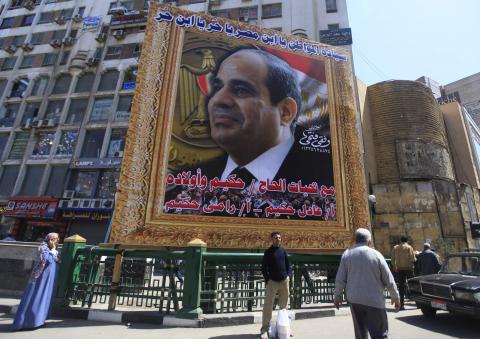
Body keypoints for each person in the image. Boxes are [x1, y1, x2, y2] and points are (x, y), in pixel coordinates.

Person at [334, 228, 400, 339]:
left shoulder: (347, 254)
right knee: (379, 334)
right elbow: (388, 278)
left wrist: (337, 296)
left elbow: (340, 279)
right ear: (369, 241)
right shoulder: (376, 255)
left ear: (355, 240)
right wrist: (395, 296)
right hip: (374, 300)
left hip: (354, 300)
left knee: (360, 334)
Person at [12, 233, 60, 331]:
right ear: (51, 239)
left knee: (44, 299)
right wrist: (53, 251)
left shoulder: (51, 249)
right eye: (56, 239)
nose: (58, 241)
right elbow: (46, 261)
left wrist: (54, 251)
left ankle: (39, 321)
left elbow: (58, 261)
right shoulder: (43, 248)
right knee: (36, 298)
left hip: (47, 280)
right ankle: (28, 322)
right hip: (40, 280)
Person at [260, 231, 291, 339]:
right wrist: (268, 279)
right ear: (272, 239)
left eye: (279, 237)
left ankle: (284, 328)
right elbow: (264, 268)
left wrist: (288, 276)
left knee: (284, 308)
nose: (278, 239)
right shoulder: (268, 252)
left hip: (284, 281)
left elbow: (288, 265)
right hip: (272, 282)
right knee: (268, 307)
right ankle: (264, 330)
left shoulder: (283, 251)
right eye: (275, 238)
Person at [391, 236, 415, 310]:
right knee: (413, 285)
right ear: (407, 241)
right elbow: (413, 259)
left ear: (400, 241)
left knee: (401, 287)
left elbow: (392, 259)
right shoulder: (409, 247)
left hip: (400, 269)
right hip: (409, 269)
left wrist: (395, 266)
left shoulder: (395, 248)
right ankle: (417, 303)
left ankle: (402, 305)